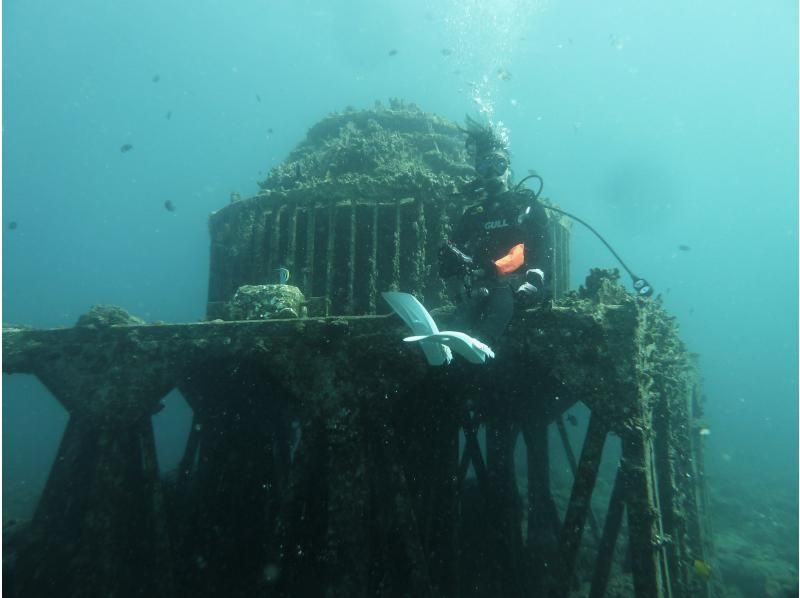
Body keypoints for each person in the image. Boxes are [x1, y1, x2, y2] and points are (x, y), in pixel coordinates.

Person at [438, 117, 552, 346]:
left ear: (508, 168)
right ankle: (448, 343)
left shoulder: (526, 206)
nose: (492, 172)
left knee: (502, 299)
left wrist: (535, 281)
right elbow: (451, 249)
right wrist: (454, 280)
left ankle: (483, 341)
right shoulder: (474, 214)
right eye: (484, 166)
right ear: (478, 172)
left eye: (498, 164)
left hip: (518, 285)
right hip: (481, 283)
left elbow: (543, 248)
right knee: (474, 301)